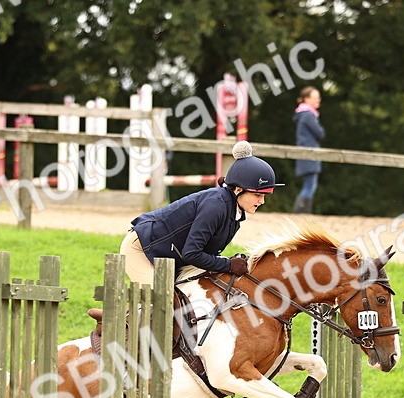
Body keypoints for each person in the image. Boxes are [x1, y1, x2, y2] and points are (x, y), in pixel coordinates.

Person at [120, 141, 282, 288]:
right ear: (239, 189)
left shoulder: (235, 213)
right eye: (258, 195)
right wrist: (228, 265)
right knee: (161, 301)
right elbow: (192, 253)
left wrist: (231, 263)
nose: (262, 201)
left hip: (170, 257)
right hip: (141, 249)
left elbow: (204, 252)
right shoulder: (216, 207)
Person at [292, 86, 324, 214]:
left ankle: (302, 212)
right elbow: (320, 133)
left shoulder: (304, 115)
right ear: (306, 99)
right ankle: (301, 212)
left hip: (306, 153)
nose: (318, 100)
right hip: (310, 153)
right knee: (310, 186)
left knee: (309, 185)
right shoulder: (308, 116)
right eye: (315, 97)